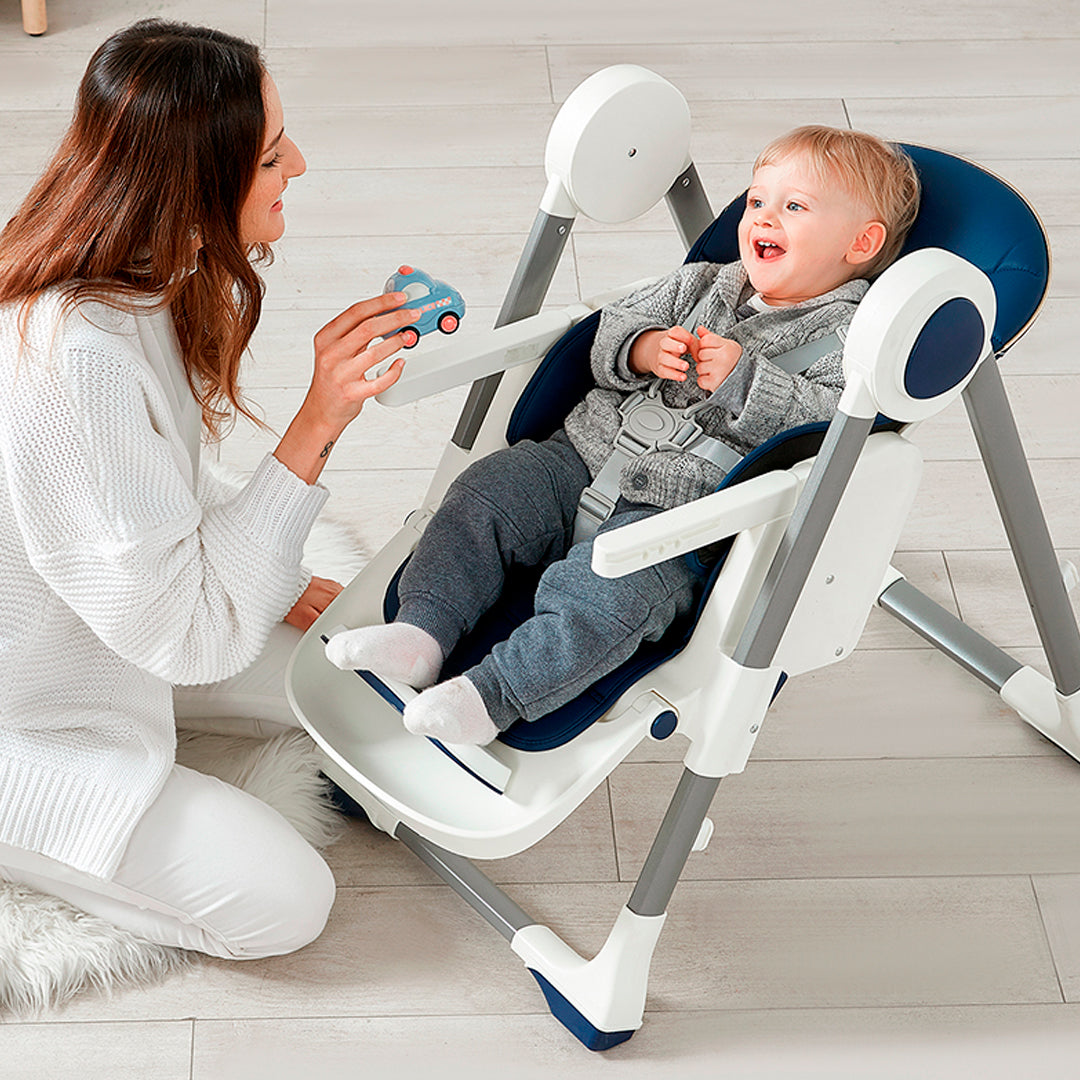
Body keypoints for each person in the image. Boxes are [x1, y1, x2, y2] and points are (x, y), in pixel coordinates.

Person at [0, 20, 420, 959]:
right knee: (285, 901)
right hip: (25, 710)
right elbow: (188, 637)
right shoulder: (76, 364)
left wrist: (253, 583)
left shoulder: (147, 269)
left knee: (370, 682)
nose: (298, 165)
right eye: (272, 156)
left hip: (105, 630)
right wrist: (319, 422)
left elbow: (159, 539)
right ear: (194, 178)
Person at [325, 125, 921, 748]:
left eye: (793, 207)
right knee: (485, 493)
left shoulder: (856, 342)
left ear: (862, 242)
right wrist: (639, 348)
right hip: (581, 455)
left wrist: (745, 381)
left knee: (608, 596)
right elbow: (613, 326)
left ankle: (492, 695)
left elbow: (830, 431)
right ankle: (423, 630)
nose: (763, 217)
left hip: (676, 517)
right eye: (755, 201)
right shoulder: (703, 283)